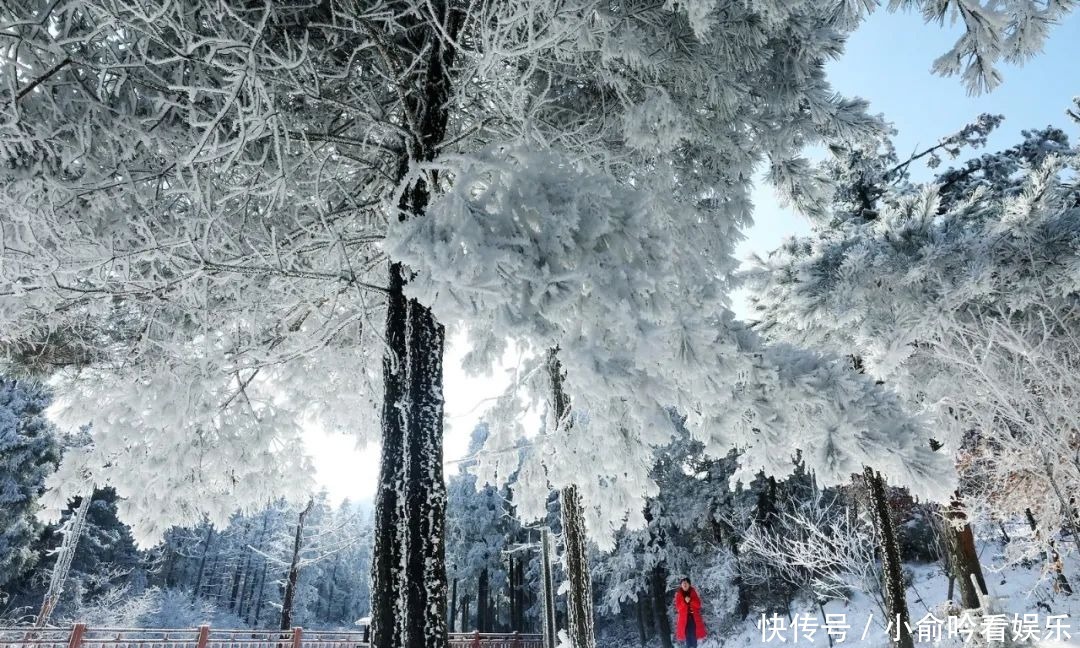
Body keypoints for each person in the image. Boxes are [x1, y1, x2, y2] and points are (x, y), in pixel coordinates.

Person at [673, 577, 707, 647]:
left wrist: (691, 600)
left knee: (694, 635)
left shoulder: (693, 592)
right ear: (681, 585)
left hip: (693, 618)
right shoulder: (678, 594)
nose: (684, 584)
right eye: (683, 583)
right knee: (687, 635)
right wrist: (684, 602)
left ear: (689, 584)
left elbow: (698, 605)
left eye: (686, 583)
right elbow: (678, 608)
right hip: (684, 619)